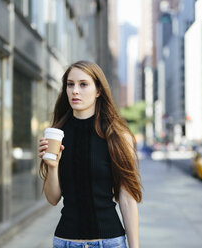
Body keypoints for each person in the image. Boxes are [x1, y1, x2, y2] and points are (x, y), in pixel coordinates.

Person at [38, 61, 142, 248]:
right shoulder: (57, 135)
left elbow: (127, 198)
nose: (75, 91)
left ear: (98, 91)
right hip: (65, 241)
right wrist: (52, 167)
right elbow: (53, 198)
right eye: (70, 84)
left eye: (83, 84)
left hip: (109, 242)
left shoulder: (117, 137)